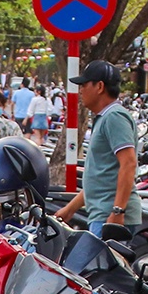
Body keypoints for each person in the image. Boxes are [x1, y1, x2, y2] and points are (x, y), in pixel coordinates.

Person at [58, 60, 136, 232]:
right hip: (102, 214)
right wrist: (69, 210)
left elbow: (129, 163)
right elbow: (101, 178)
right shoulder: (105, 117)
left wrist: (118, 211)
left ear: (99, 87)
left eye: (84, 85)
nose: (80, 90)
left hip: (109, 217)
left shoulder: (114, 117)